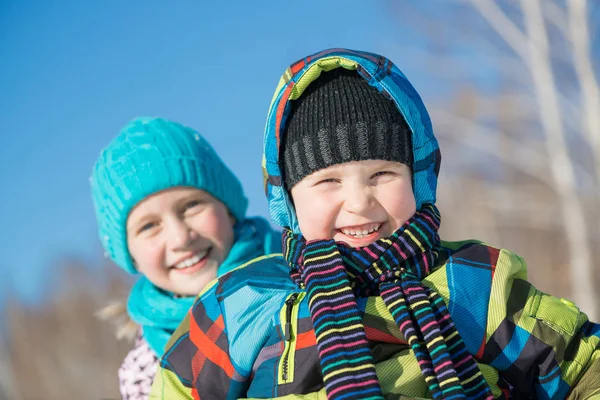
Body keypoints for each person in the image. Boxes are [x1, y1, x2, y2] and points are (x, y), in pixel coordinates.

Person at [150, 49, 600, 399]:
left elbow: (582, 365)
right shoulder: (246, 300)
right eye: (327, 182)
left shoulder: (469, 283)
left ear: (417, 179)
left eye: (382, 175)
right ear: (288, 200)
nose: (359, 202)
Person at [90, 117, 281, 399]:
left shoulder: (304, 268)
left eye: (191, 205)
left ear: (227, 208)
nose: (181, 238)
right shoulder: (145, 373)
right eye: (149, 226)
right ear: (130, 255)